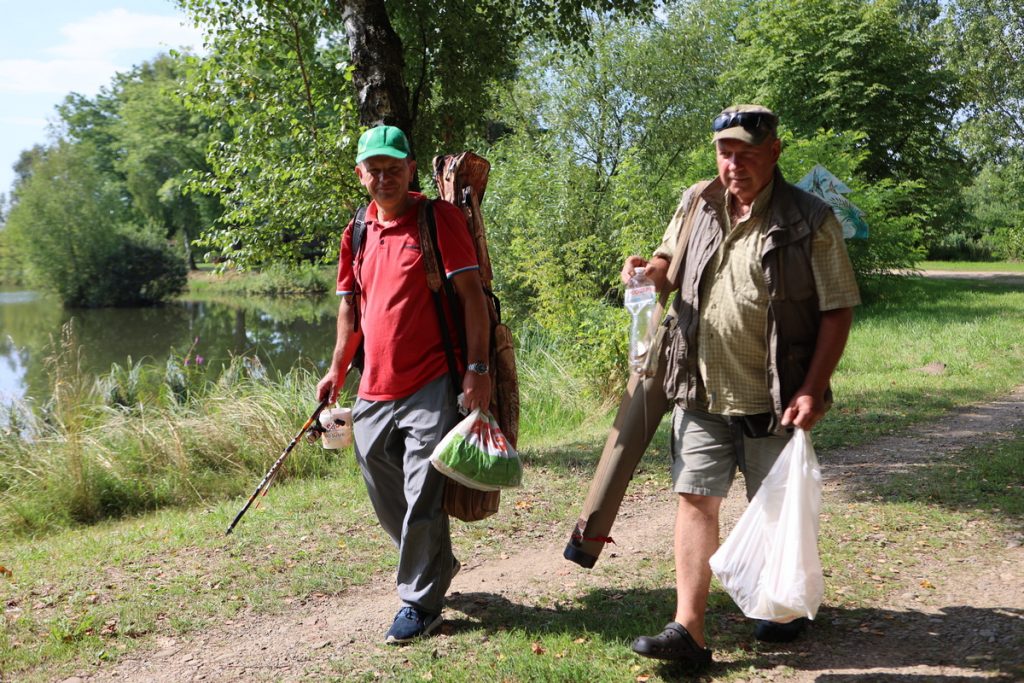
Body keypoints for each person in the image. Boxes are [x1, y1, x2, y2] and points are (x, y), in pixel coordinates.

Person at [623, 105, 860, 666]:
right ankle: (689, 631)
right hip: (701, 390)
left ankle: (777, 604)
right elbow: (666, 263)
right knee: (694, 500)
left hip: (776, 397)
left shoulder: (811, 219)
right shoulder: (697, 201)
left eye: (747, 154)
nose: (734, 165)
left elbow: (837, 311)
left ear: (775, 152)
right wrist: (647, 275)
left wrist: (813, 386)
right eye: (725, 153)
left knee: (774, 512)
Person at [316, 125, 492, 644]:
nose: (384, 177)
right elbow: (350, 307)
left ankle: (420, 602)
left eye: (394, 167)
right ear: (361, 174)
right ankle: (434, 562)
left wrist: (477, 370)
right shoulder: (358, 230)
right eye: (375, 169)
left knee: (422, 491)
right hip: (374, 385)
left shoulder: (437, 220)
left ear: (410, 169)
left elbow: (473, 299)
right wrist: (336, 369)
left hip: (433, 379)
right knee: (376, 472)